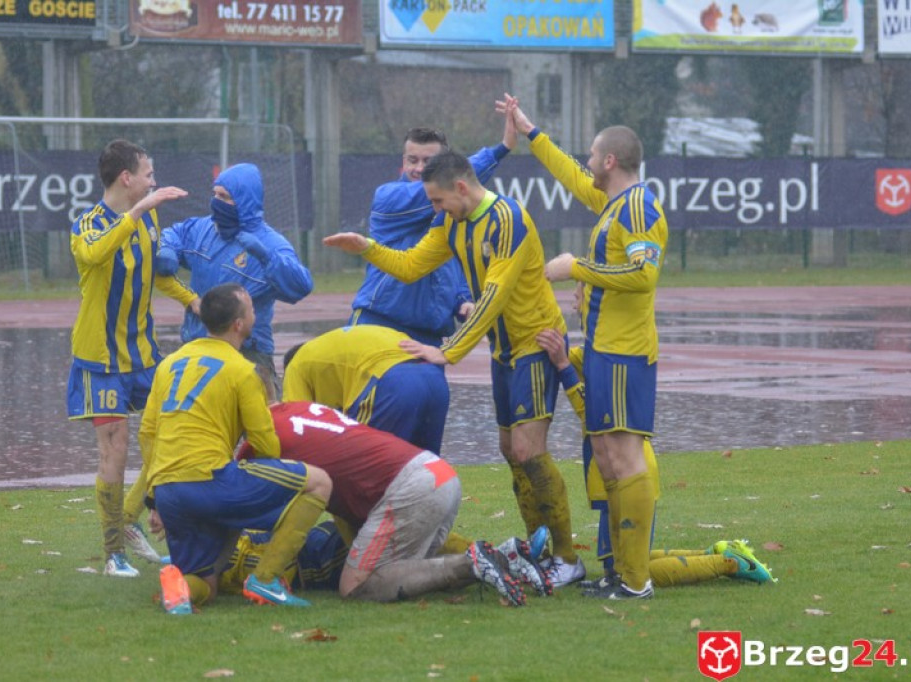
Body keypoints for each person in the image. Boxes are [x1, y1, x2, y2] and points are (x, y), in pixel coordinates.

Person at [324, 151, 585, 588]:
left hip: (535, 344)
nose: (434, 209)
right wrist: (368, 248)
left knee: (528, 450)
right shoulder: (451, 223)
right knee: (509, 450)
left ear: (461, 187)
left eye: (438, 200)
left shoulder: (508, 219)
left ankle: (566, 557)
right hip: (503, 350)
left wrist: (448, 351)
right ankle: (537, 548)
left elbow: (495, 295)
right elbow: (410, 266)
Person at [499, 93, 667, 600]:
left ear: (611, 160)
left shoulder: (638, 205)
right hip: (602, 349)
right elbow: (571, 177)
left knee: (624, 457)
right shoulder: (613, 203)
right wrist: (531, 133)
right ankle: (619, 571)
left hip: (624, 352)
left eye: (593, 155)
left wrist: (576, 268)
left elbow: (644, 274)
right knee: (606, 457)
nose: (588, 163)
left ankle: (636, 581)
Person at [236, 400, 551, 605]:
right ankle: (505, 556)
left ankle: (471, 562)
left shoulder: (261, 443)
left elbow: (252, 514)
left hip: (410, 487)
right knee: (413, 572)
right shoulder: (298, 408)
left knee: (355, 587)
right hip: (435, 472)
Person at [138, 283, 332, 608]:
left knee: (207, 585)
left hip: (169, 492)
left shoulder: (169, 364)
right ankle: (266, 579)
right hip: (211, 483)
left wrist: (155, 495)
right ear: (239, 325)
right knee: (318, 482)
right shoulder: (243, 371)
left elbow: (147, 433)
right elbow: (265, 442)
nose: (255, 312)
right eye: (252, 308)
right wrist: (276, 476)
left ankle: (181, 587)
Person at [536, 326, 776, 588]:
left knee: (628, 570)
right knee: (628, 560)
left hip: (627, 472)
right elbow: (568, 357)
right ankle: (718, 553)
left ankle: (731, 564)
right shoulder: (599, 349)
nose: (574, 297)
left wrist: (562, 365)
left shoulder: (618, 356)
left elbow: (592, 412)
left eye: (580, 291)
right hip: (619, 472)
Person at [66, 139, 200, 578]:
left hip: (143, 357)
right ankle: (112, 555)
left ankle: (128, 520)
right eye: (148, 173)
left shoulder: (150, 217)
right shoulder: (87, 224)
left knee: (173, 429)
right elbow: (95, 254)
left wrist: (192, 301)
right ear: (127, 178)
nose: (154, 181)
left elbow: (159, 277)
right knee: (115, 451)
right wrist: (139, 211)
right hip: (100, 361)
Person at [155, 162, 312, 399]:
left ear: (245, 201)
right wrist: (167, 249)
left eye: (225, 197)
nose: (216, 201)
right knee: (203, 426)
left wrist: (267, 258)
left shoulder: (270, 244)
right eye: (215, 194)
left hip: (248, 351)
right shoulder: (203, 229)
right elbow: (175, 233)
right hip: (200, 346)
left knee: (265, 426)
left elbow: (301, 286)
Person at [349, 124, 515, 347]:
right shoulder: (389, 198)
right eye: (412, 160)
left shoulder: (453, 212)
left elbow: (452, 264)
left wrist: (463, 300)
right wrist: (501, 148)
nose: (419, 168)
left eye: (428, 161)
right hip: (379, 322)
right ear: (403, 160)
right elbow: (445, 185)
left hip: (429, 335)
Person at [281, 324, 449, 454]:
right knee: (427, 465)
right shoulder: (332, 346)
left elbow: (296, 422)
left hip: (392, 382)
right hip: (434, 378)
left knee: (363, 460)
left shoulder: (296, 364)